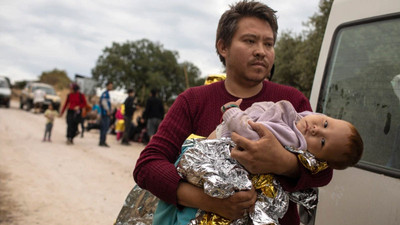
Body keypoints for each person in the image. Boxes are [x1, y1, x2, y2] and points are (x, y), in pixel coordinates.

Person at [133, 1, 333, 224]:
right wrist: (210, 201)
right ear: (223, 47)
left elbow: (325, 170)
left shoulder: (292, 102)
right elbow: (147, 166)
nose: (261, 51)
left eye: (269, 44)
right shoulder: (193, 101)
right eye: (250, 41)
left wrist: (282, 162)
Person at [99, 81, 113, 147]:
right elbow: (104, 102)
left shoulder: (107, 94)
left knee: (105, 127)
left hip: (106, 114)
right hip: (105, 114)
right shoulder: (105, 94)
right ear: (107, 86)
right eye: (110, 86)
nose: (111, 87)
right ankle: (102, 141)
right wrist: (107, 110)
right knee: (104, 127)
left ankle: (102, 141)